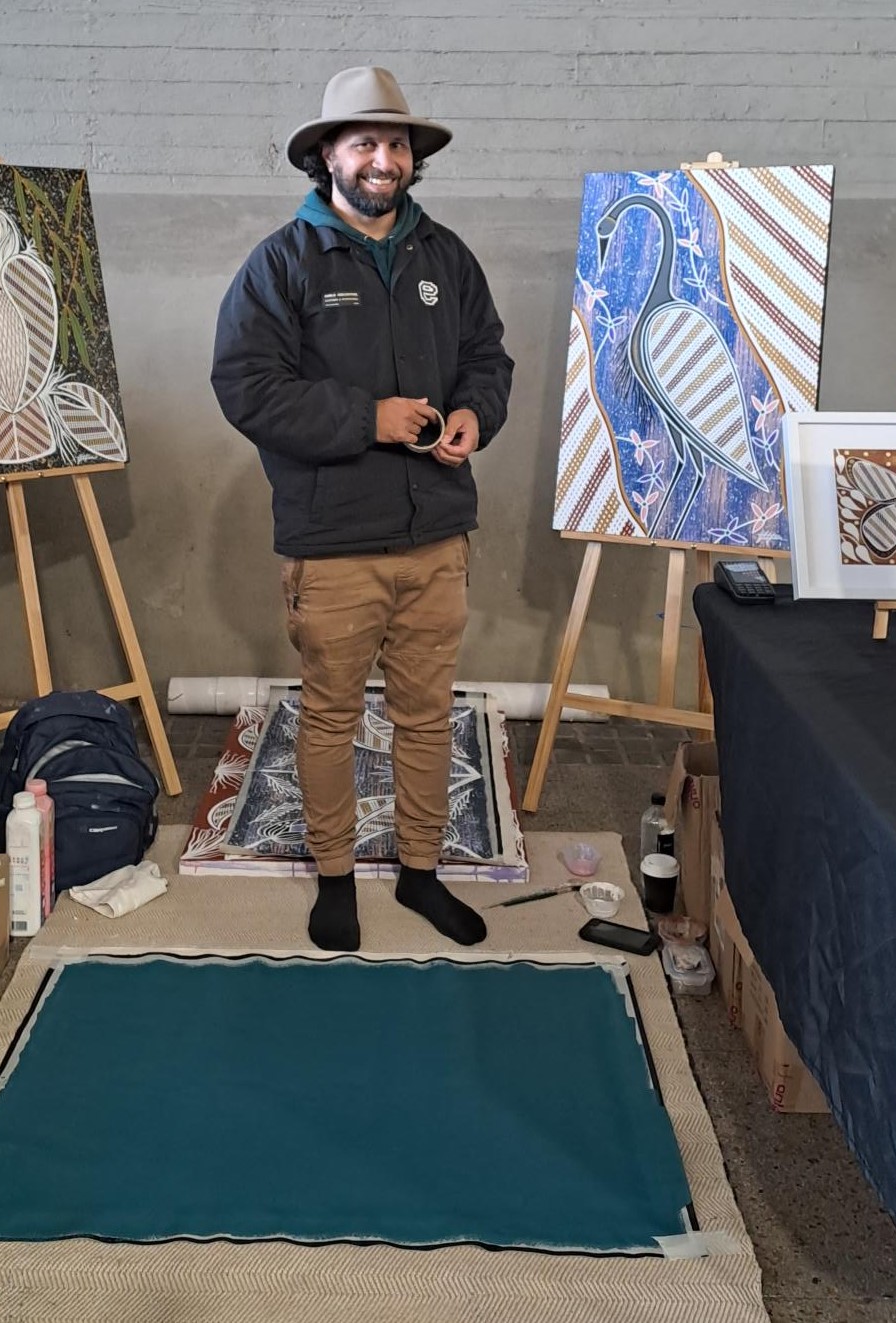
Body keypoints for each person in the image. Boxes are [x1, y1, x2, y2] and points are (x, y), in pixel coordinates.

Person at [211, 67, 513, 952]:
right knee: (331, 717)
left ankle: (419, 871)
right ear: (327, 157)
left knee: (426, 714)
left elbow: (486, 357)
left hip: (436, 537)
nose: (384, 159)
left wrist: (474, 412)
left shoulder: (445, 257)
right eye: (365, 143)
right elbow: (246, 385)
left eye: (396, 145)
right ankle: (335, 875)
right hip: (334, 542)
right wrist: (365, 418)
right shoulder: (281, 263)